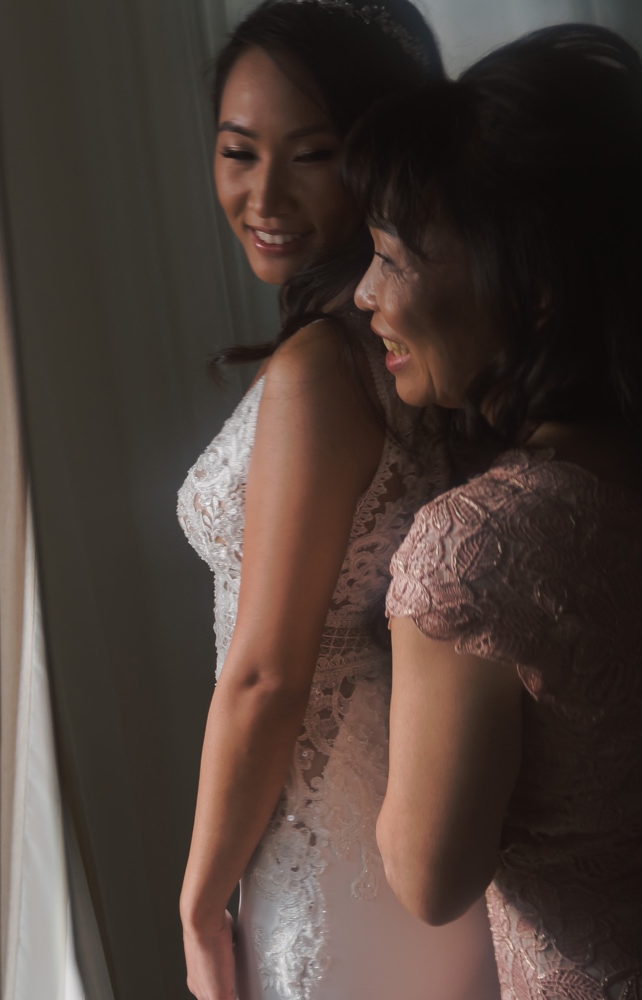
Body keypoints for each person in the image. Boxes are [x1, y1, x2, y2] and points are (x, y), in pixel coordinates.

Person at [176, 2, 499, 998]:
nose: (264, 192)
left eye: (310, 154)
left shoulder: (324, 365)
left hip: (334, 843)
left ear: (379, 153)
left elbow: (267, 673)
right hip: (403, 826)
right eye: (238, 151)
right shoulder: (419, 348)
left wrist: (199, 899)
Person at [347, 25, 642, 999]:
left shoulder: (477, 550)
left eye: (393, 257)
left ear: (538, 289)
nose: (365, 294)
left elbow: (429, 878)